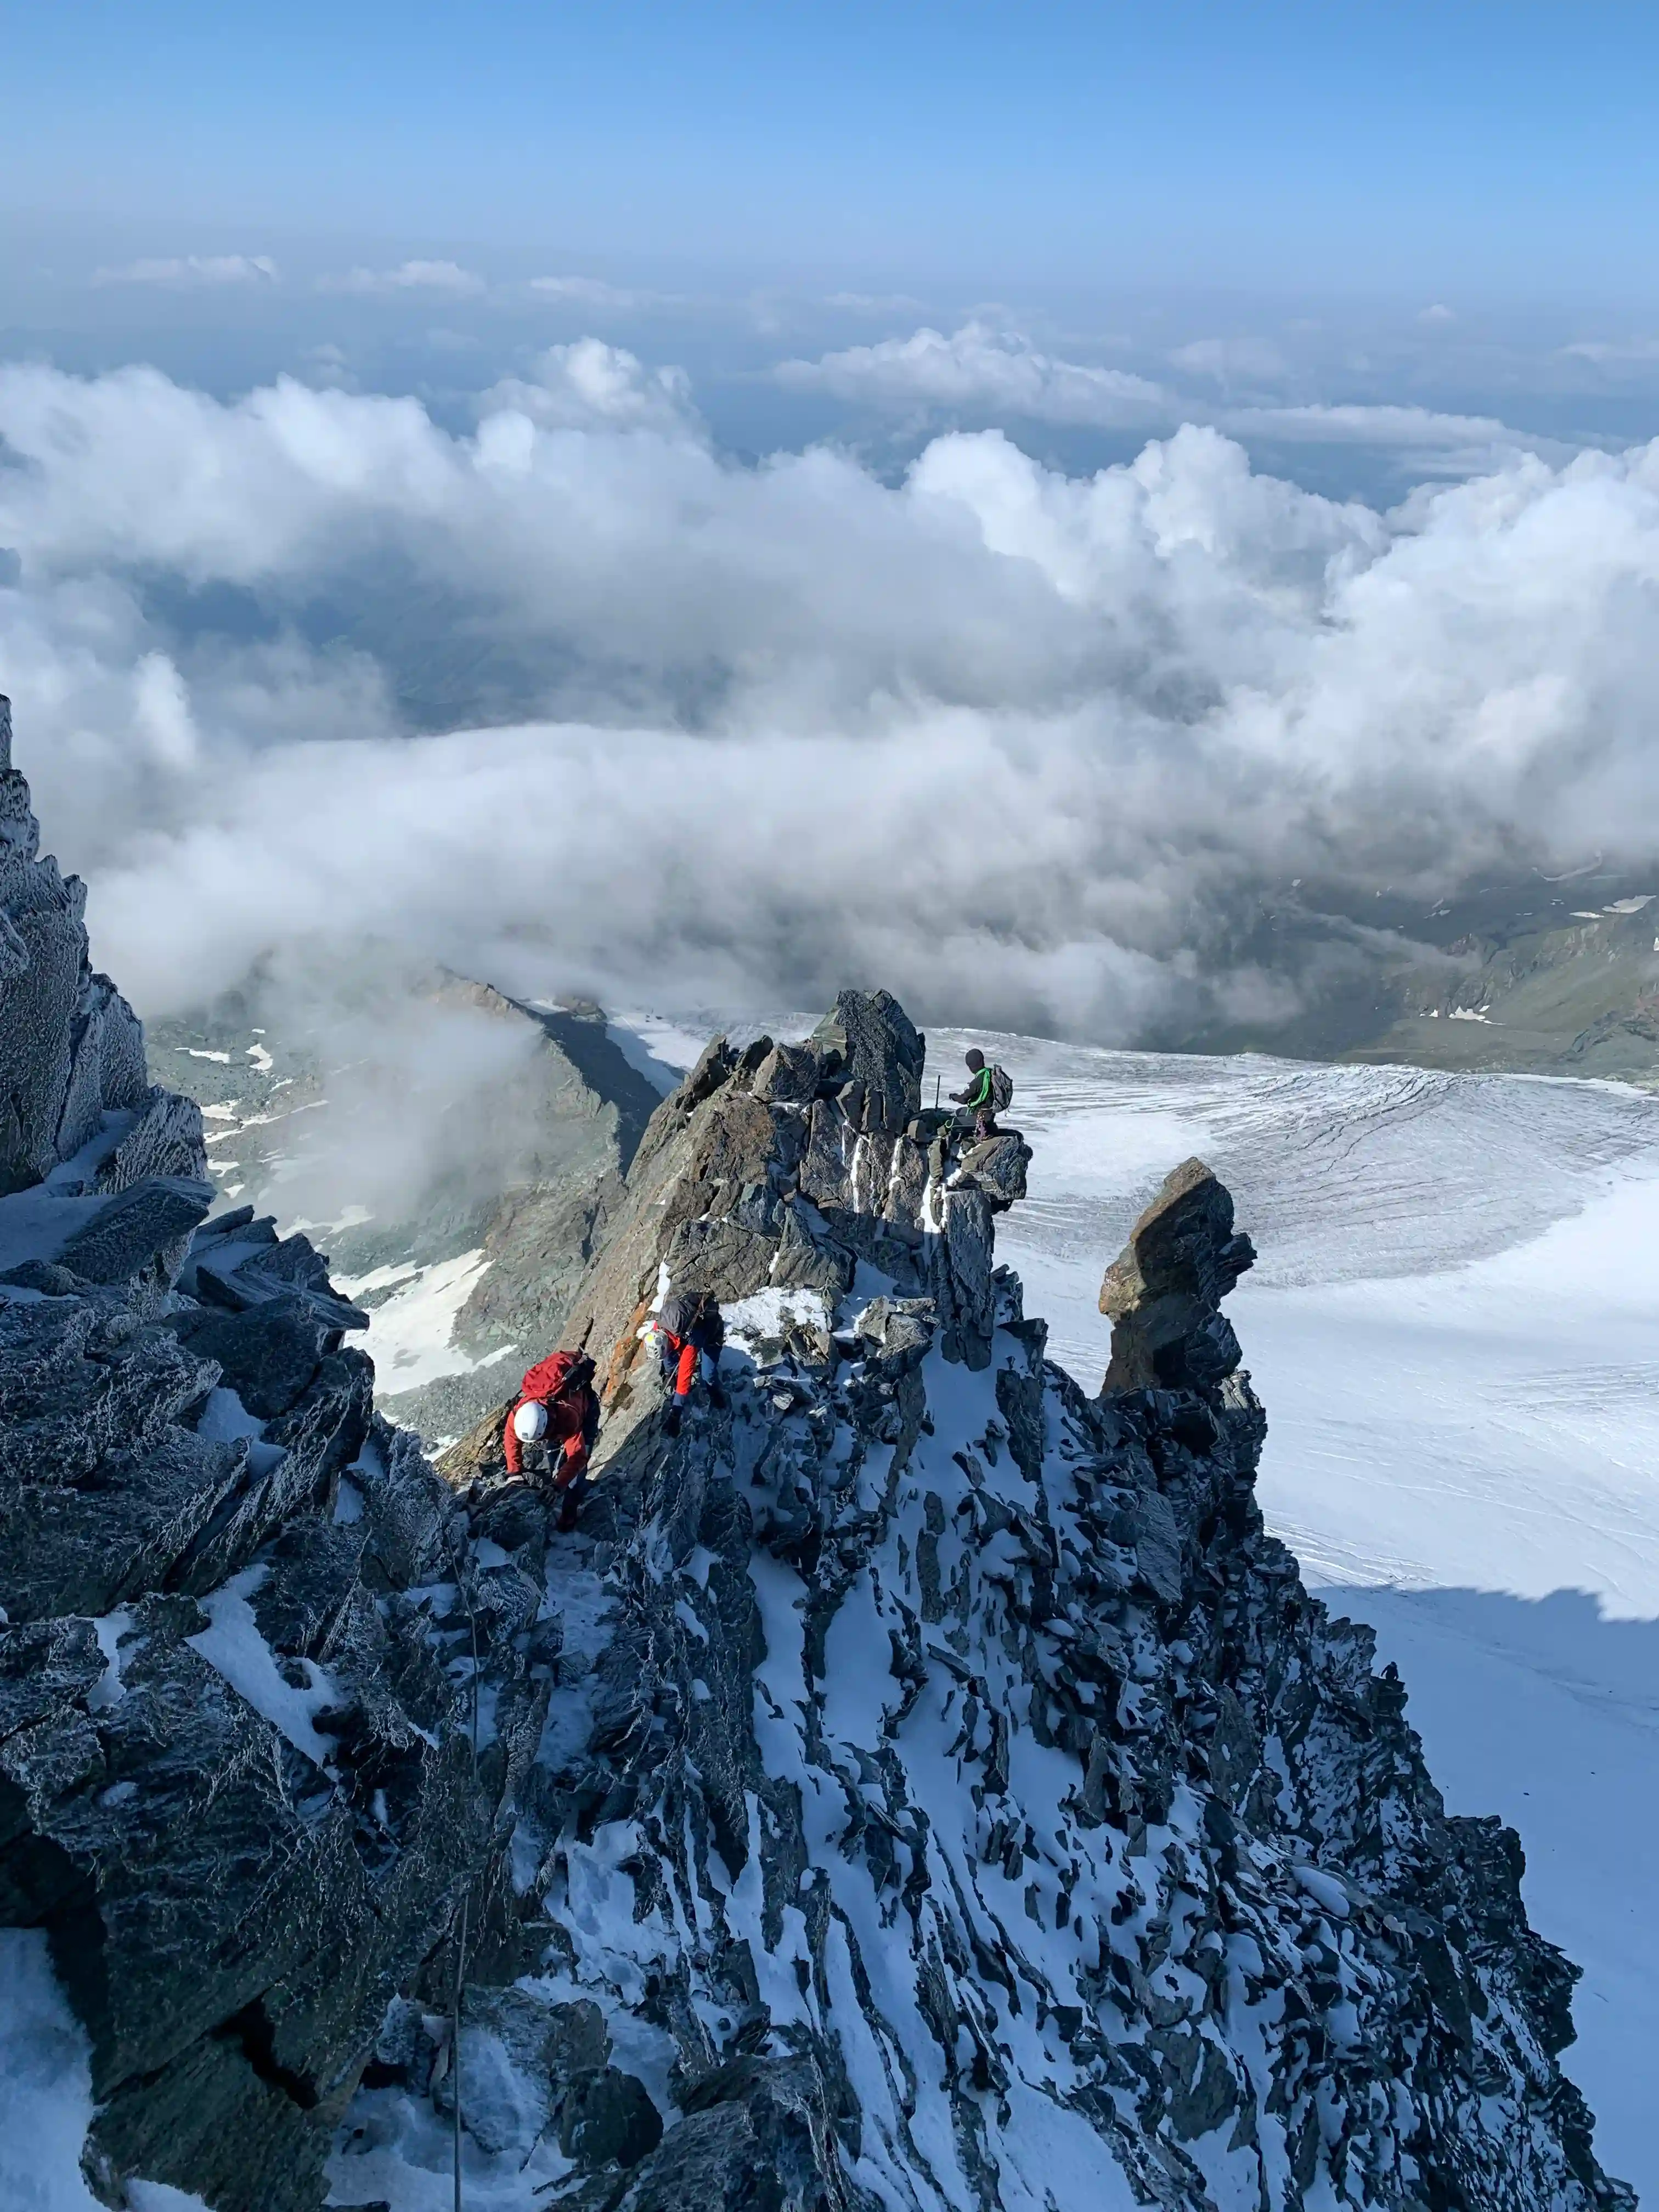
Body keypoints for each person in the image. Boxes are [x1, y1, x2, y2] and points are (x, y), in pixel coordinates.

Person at [503, 1348, 600, 1527]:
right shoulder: (521, 1412)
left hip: (585, 1414)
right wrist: (515, 1472)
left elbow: (578, 1456)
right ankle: (556, 1480)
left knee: (577, 1472)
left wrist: (559, 1486)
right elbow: (511, 1438)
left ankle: (569, 1515)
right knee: (553, 1456)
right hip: (552, 1420)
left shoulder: (569, 1416)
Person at [656, 1289, 727, 1436]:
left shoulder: (690, 1343)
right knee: (671, 1357)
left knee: (708, 1375)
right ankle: (671, 1374)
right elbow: (667, 1356)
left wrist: (676, 1413)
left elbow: (685, 1379)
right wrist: (670, 1373)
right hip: (690, 1333)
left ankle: (716, 1394)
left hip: (712, 1334)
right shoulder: (658, 1330)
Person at [949, 1047, 1013, 1139]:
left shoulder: (979, 1081)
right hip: (989, 1116)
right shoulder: (990, 1074)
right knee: (960, 1111)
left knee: (951, 1123)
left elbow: (964, 1099)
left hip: (980, 1119)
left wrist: (953, 1097)